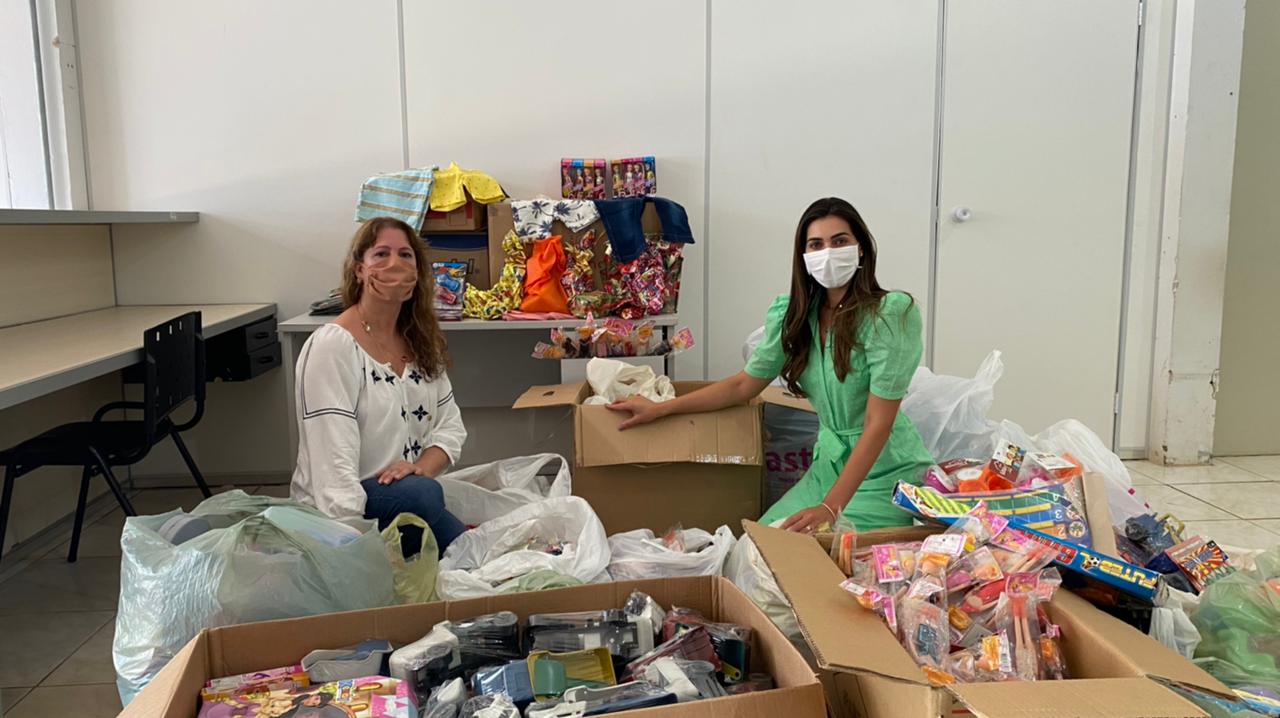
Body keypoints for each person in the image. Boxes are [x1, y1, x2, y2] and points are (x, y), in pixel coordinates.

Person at [608, 197, 934, 533]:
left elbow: (878, 423)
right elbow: (743, 385)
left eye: (840, 241)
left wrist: (830, 508)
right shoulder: (794, 315)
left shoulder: (889, 314)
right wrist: (662, 408)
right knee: (757, 543)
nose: (828, 252)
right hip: (828, 469)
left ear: (861, 248)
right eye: (816, 244)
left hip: (885, 477)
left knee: (806, 553)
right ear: (804, 257)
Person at [291, 217, 467, 556]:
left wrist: (421, 468)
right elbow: (332, 463)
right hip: (348, 509)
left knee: (473, 553)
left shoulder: (420, 342)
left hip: (407, 496)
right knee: (424, 498)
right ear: (359, 270)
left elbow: (451, 427)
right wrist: (349, 547)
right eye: (381, 254)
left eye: (405, 255)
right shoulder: (333, 347)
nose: (394, 264)